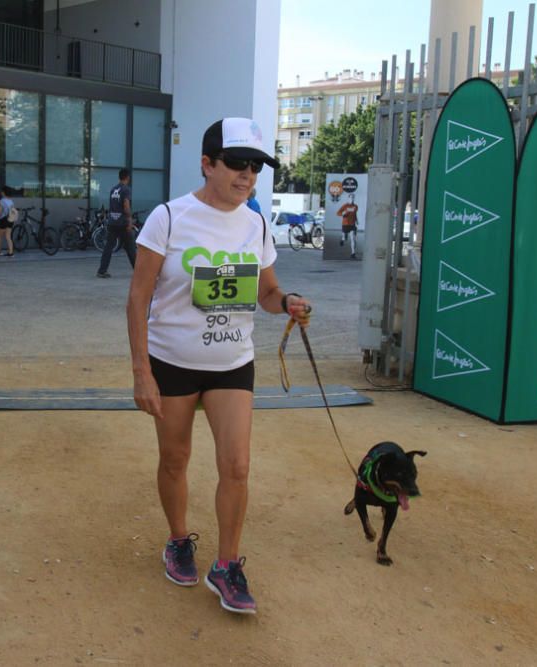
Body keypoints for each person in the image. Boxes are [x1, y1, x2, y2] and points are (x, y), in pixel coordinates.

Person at [126, 118, 311, 615]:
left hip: (233, 362)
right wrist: (142, 371)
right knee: (175, 459)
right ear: (207, 163)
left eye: (255, 166)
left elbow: (266, 293)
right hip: (174, 362)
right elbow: (138, 296)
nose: (247, 175)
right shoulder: (168, 218)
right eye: (236, 163)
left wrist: (287, 301)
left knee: (237, 464)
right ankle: (178, 539)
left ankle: (227, 564)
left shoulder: (257, 224)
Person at [97, 168, 137, 278]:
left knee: (108, 247)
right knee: (130, 247)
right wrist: (129, 220)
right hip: (122, 223)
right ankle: (139, 272)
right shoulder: (126, 190)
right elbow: (126, 205)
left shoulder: (113, 189)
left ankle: (102, 270)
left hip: (112, 222)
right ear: (127, 177)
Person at [0, 186, 15, 257]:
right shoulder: (11, 201)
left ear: (4, 192)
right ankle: (11, 252)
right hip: (10, 220)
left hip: (3, 220)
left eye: (2, 192)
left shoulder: (2, 201)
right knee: (8, 236)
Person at [338, 194, 359, 259]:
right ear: (348, 198)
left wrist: (356, 220)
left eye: (353, 198)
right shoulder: (345, 206)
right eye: (350, 198)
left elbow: (355, 214)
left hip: (352, 225)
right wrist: (343, 213)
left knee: (353, 239)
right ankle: (342, 239)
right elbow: (338, 213)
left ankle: (353, 253)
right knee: (345, 239)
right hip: (345, 224)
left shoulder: (355, 206)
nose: (352, 199)